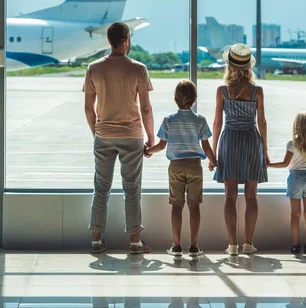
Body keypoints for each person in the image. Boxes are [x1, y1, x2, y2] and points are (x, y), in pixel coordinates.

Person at [83, 22, 154, 255]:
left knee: (101, 187)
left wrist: (97, 132)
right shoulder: (138, 69)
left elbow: (88, 108)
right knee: (132, 189)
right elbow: (145, 109)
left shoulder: (93, 68)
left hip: (104, 133)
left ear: (108, 41)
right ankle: (135, 241)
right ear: (126, 41)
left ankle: (96, 239)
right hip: (132, 135)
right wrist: (151, 137)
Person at [145, 80, 216, 257]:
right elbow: (206, 147)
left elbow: (162, 145)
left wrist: (147, 150)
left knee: (176, 206)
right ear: (194, 99)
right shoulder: (200, 120)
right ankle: (194, 246)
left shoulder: (169, 120)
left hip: (175, 166)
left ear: (175, 98)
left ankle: (176, 246)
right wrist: (213, 161)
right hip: (194, 165)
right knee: (194, 206)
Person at [212, 43, 269, 256]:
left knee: (230, 196)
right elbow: (262, 122)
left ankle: (232, 244)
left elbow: (217, 123)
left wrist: (215, 152)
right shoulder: (257, 91)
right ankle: (248, 243)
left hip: (230, 141)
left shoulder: (222, 91)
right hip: (251, 140)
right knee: (251, 196)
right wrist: (264, 148)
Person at [268, 112, 306, 254]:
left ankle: (295, 245)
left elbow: (285, 163)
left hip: (295, 178)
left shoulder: (292, 144)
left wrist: (268, 164)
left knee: (295, 214)